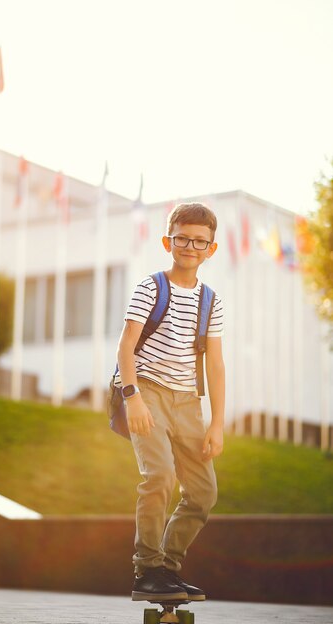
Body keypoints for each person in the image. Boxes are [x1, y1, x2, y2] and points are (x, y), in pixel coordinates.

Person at [114, 202, 225, 602]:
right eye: (182, 239)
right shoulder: (150, 287)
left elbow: (215, 363)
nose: (190, 246)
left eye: (200, 241)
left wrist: (216, 423)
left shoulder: (211, 301)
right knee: (159, 476)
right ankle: (147, 568)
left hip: (188, 403)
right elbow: (126, 346)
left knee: (203, 492)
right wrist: (133, 398)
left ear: (211, 248)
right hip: (147, 390)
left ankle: (167, 569)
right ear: (168, 241)